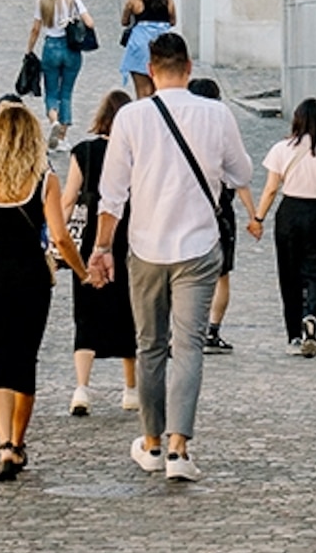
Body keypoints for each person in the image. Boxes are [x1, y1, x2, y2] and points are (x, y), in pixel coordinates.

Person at [88, 30, 251, 484]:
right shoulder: (216, 114)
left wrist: (102, 247)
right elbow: (242, 171)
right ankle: (180, 448)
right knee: (189, 346)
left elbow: (112, 194)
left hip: (145, 245)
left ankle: (153, 444)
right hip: (198, 247)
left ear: (152, 72)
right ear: (190, 69)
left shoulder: (132, 118)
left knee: (150, 346)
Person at [0, 99, 86, 481]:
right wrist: (80, 271)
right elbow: (60, 238)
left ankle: (2, 446)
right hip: (31, 278)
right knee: (25, 360)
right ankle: (17, 441)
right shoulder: (46, 180)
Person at [61, 89, 138, 416]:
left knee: (87, 310)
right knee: (129, 311)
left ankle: (82, 389)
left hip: (91, 237)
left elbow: (67, 199)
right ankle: (130, 390)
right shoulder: (138, 152)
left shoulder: (84, 151)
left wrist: (57, 238)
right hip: (128, 235)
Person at [254, 98, 316, 356]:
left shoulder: (281, 149)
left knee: (289, 273)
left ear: (297, 119)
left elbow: (272, 188)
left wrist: (258, 218)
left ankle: (294, 334)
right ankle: (312, 315)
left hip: (289, 213)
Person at [186, 76, 257, 352]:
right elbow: (241, 179)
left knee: (181, 268)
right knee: (221, 274)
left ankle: (181, 330)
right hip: (219, 210)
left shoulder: (177, 132)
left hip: (184, 206)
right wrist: (254, 216)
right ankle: (211, 332)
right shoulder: (221, 134)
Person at [28, 0, 92, 146]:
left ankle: (54, 121)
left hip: (51, 47)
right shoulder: (73, 0)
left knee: (51, 91)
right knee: (66, 93)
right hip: (71, 48)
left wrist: (29, 50)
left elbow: (35, 30)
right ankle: (62, 137)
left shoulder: (43, 1)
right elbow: (90, 22)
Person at [119, 0, 179, 99]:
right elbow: (173, 20)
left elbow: (124, 21)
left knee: (142, 92)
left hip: (140, 44)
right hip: (163, 45)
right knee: (161, 90)